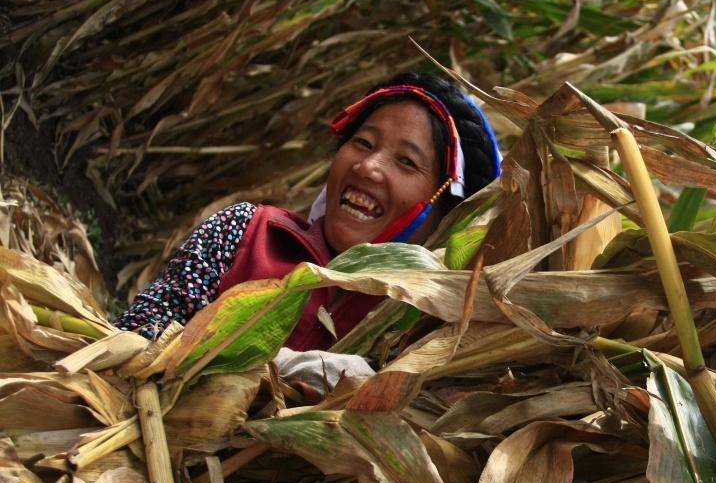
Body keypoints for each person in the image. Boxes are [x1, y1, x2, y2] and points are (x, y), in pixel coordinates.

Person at [115, 73, 503, 355]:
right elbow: (133, 337)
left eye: (406, 161)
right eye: (363, 142)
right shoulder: (245, 232)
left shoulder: (426, 332)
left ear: (449, 211)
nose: (368, 167)